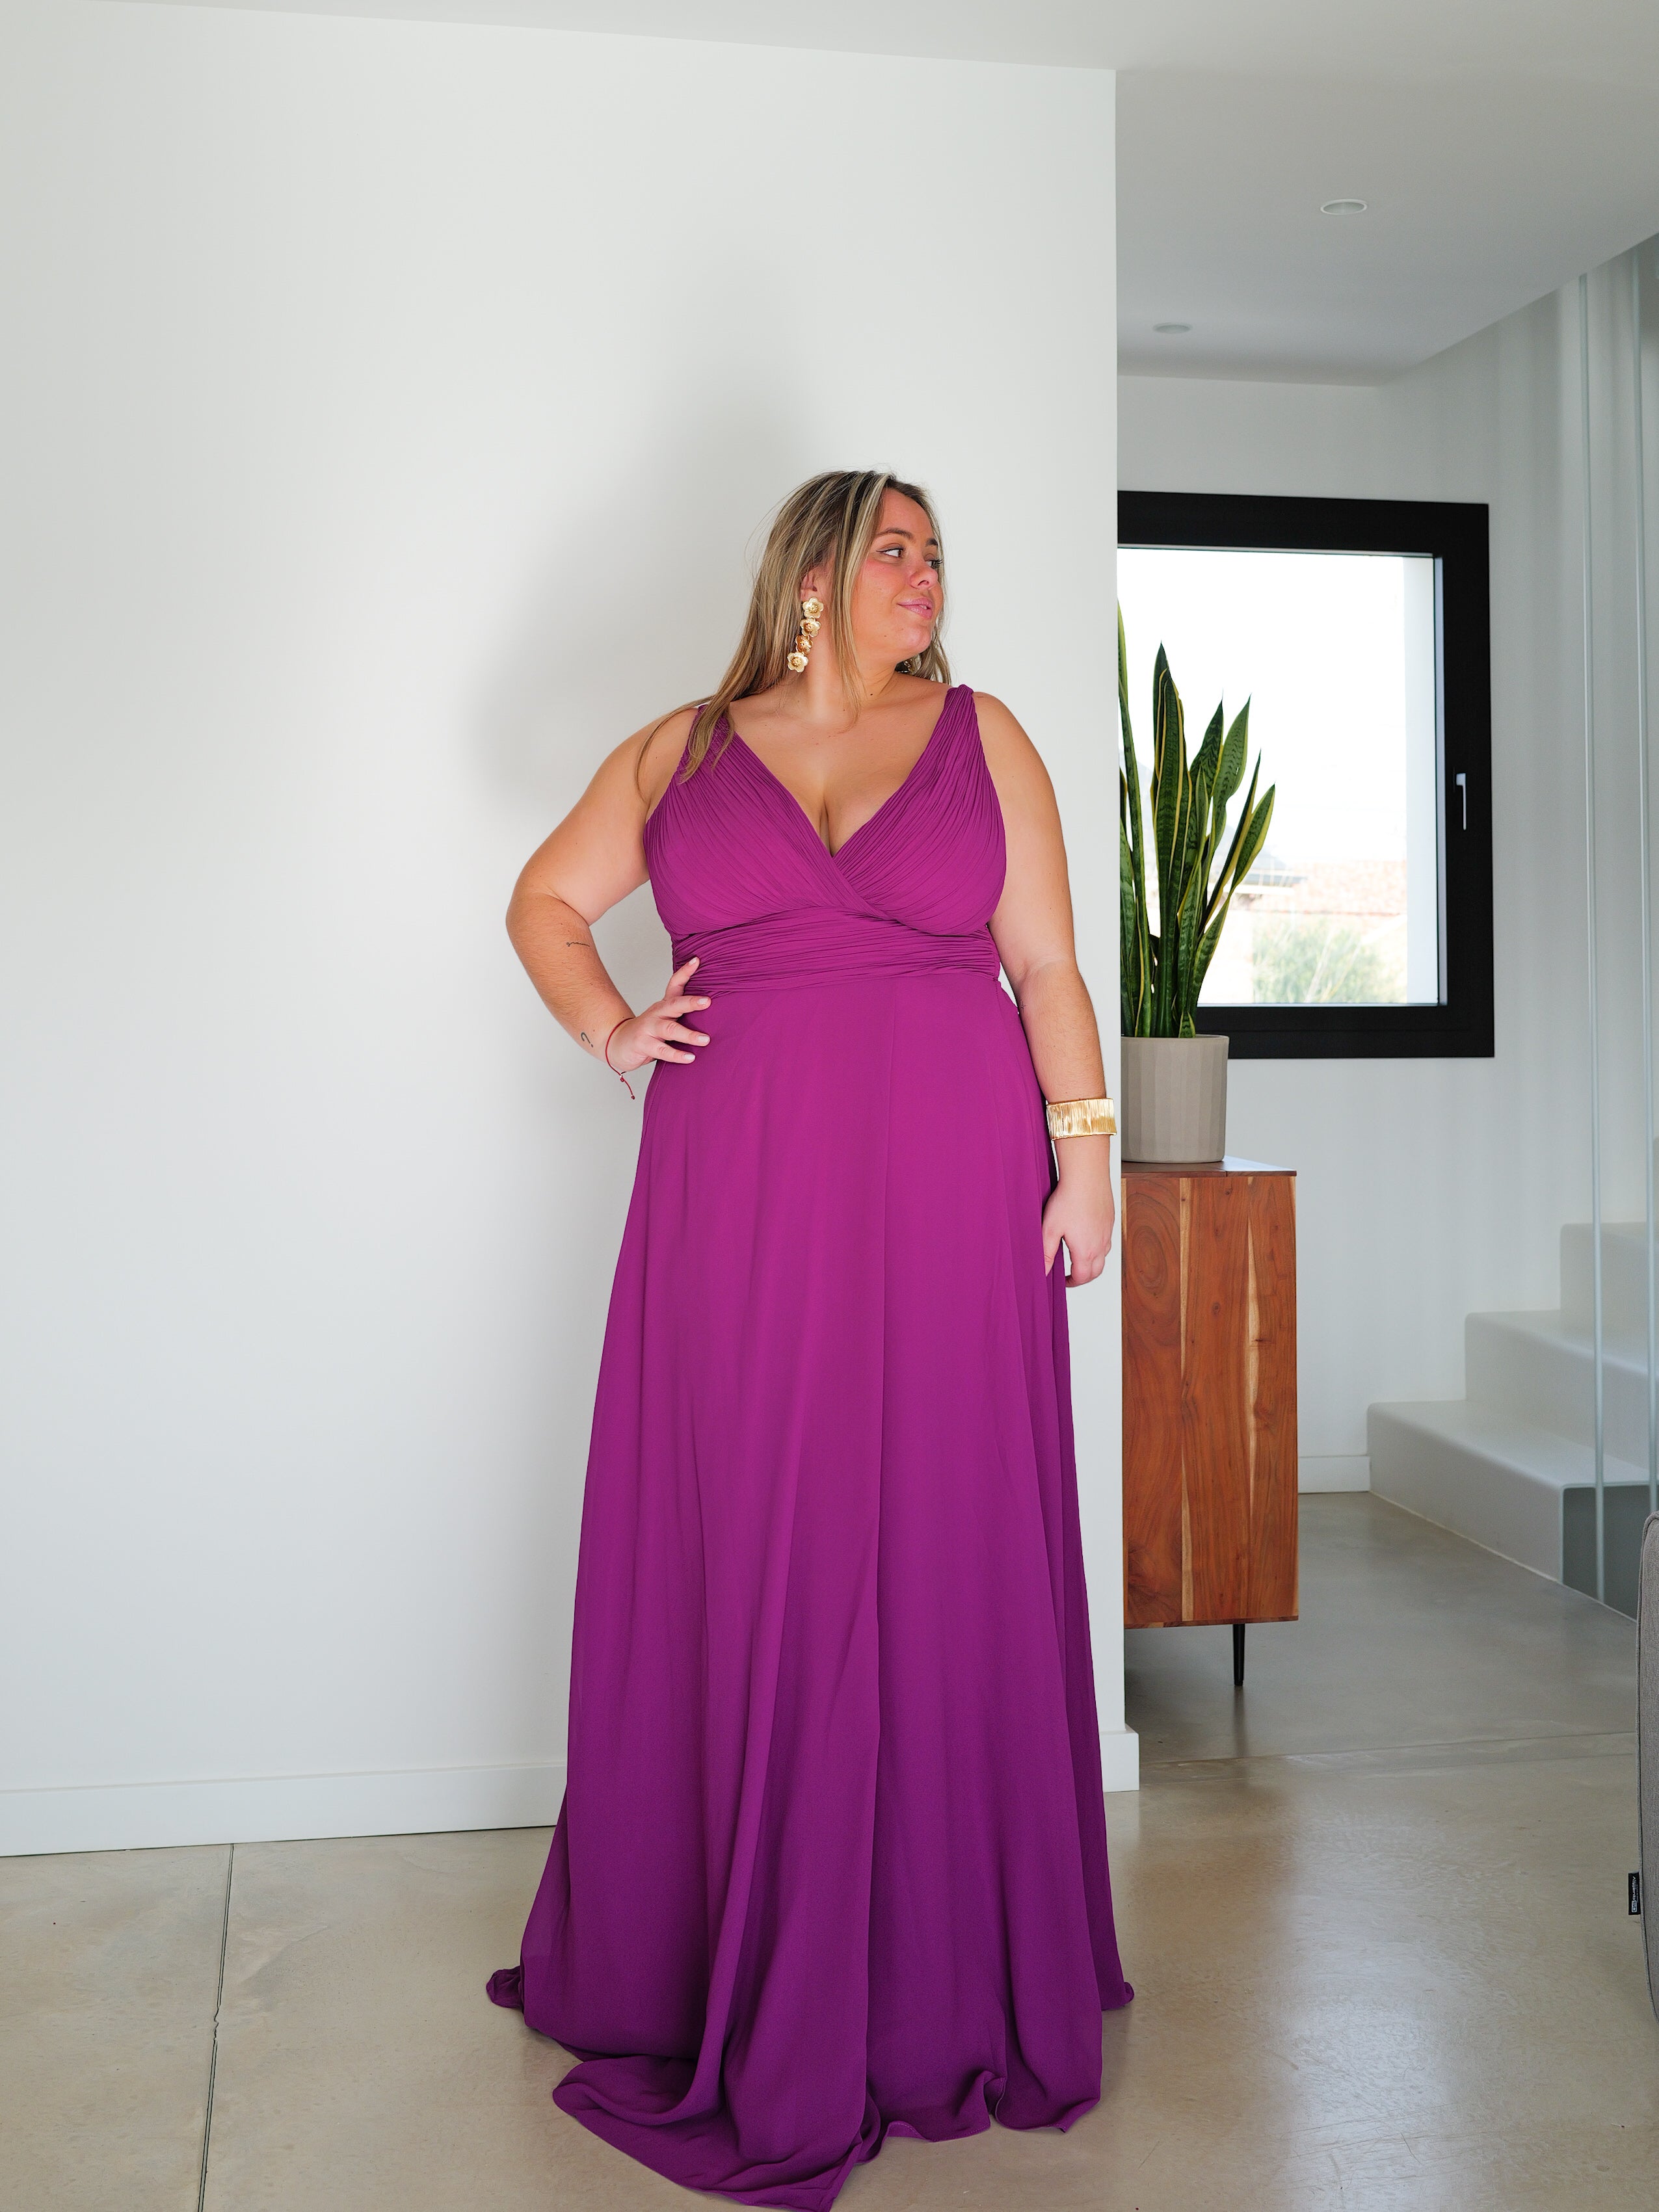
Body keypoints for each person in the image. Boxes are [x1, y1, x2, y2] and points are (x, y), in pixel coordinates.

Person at [487, 469, 1132, 2211]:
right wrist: (615, 1027)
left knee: (938, 1532)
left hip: (953, 1189)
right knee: (756, 1531)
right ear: (812, 574)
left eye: (937, 554)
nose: (925, 576)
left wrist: (1088, 1166)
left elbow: (1051, 970)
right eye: (893, 550)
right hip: (740, 1199)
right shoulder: (681, 752)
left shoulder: (985, 738)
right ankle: (716, 1949)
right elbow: (544, 903)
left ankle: (937, 1965)